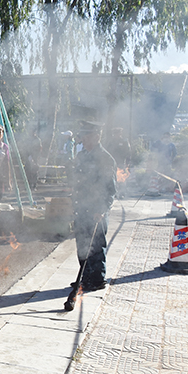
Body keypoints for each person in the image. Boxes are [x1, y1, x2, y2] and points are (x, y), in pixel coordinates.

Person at [71, 121, 117, 292]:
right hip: (81, 207)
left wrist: (102, 209)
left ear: (97, 136)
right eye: (83, 135)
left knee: (96, 246)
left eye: (87, 135)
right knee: (82, 244)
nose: (83, 138)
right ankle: (85, 276)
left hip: (96, 209)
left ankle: (97, 279)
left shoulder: (105, 158)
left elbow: (110, 189)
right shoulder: (82, 155)